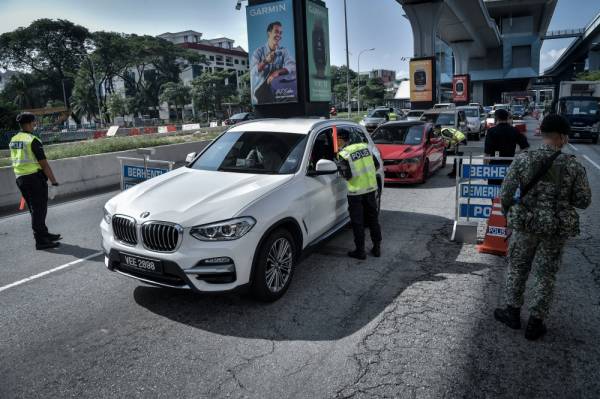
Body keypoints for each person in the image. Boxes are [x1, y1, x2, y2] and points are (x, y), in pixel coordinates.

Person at [494, 114, 591, 340]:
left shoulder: (524, 159)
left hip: (526, 225)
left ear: (542, 133)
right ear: (564, 138)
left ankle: (512, 313)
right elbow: (583, 202)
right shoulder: (573, 166)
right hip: (555, 229)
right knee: (545, 275)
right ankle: (536, 323)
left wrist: (510, 217)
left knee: (518, 268)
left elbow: (506, 194)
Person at [9, 112, 62, 250]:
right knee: (39, 210)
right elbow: (44, 164)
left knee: (35, 210)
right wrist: (54, 182)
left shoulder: (14, 139)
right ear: (28, 123)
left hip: (20, 179)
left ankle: (44, 234)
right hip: (33, 179)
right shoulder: (32, 140)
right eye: (34, 122)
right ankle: (40, 241)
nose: (35, 124)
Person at [336, 129, 382, 260]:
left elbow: (347, 175)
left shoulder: (344, 154)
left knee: (358, 222)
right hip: (370, 189)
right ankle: (377, 248)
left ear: (341, 140)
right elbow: (376, 165)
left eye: (337, 140)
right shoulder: (364, 147)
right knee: (373, 219)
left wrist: (339, 167)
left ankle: (360, 251)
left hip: (356, 192)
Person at [250, 21, 296, 104]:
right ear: (269, 33)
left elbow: (292, 66)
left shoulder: (284, 51)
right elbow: (253, 72)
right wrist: (265, 61)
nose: (279, 35)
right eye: (276, 32)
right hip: (261, 93)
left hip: (279, 92)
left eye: (280, 33)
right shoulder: (258, 52)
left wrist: (277, 72)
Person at [484, 108, 529, 185]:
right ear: (507, 118)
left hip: (494, 167)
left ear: (496, 118)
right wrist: (516, 155)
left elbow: (487, 153)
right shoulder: (514, 130)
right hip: (510, 165)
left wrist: (485, 170)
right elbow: (525, 147)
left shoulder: (491, 131)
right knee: (508, 190)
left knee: (494, 191)